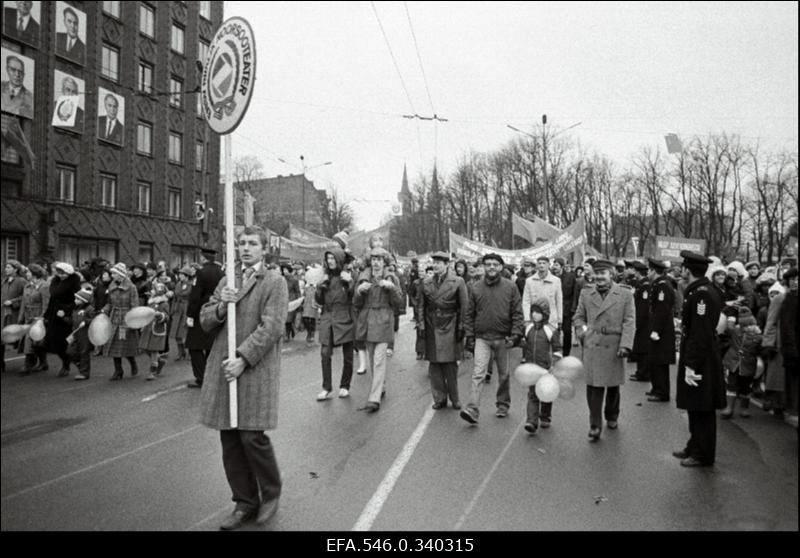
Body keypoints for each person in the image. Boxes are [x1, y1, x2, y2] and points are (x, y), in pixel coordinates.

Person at [198, 226, 287, 530]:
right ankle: (244, 501)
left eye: (252, 243)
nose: (246, 248)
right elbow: (206, 320)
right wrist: (222, 304)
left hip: (254, 367)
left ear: (264, 248)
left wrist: (244, 358)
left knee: (252, 436)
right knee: (230, 437)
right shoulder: (227, 280)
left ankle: (270, 492)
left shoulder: (274, 282)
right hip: (225, 366)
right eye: (242, 244)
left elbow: (272, 327)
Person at [573, 259, 635, 441]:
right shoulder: (586, 293)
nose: (599, 277)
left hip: (614, 344)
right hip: (592, 344)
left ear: (612, 274)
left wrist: (626, 345)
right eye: (597, 273)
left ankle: (612, 414)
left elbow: (629, 321)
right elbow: (578, 317)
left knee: (613, 385)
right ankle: (594, 424)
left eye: (603, 273)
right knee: (593, 387)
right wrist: (582, 332)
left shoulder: (624, 294)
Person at [673, 251, 726, 467]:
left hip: (701, 359)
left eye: (683, 267)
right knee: (694, 405)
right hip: (699, 354)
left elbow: (701, 333)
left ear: (687, 270)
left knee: (702, 407)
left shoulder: (702, 294)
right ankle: (694, 445)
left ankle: (703, 453)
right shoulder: (699, 290)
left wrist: (691, 364)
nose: (681, 271)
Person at [460, 253, 524, 425]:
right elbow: (469, 314)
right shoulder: (475, 287)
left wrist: (516, 334)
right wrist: (469, 336)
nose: (491, 267)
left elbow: (517, 312)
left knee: (504, 375)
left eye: (495, 264)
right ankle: (472, 408)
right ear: (483, 267)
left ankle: (503, 404)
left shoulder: (511, 287)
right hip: (482, 338)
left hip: (503, 338)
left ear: (501, 267)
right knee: (478, 374)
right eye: (488, 264)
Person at [353, 247, 403, 413]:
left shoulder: (391, 278)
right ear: (370, 261)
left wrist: (392, 288)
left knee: (379, 359)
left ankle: (374, 398)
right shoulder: (362, 278)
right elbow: (356, 303)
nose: (376, 262)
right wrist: (359, 292)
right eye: (373, 259)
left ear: (384, 262)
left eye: (379, 259)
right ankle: (380, 387)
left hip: (383, 320)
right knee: (373, 358)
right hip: (367, 321)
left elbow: (399, 302)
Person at [416, 251, 468, 410]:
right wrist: (421, 326)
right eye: (434, 262)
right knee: (434, 365)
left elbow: (464, 307)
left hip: (451, 324)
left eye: (440, 263)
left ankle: (455, 397)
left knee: (450, 365)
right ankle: (439, 398)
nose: (436, 265)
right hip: (431, 324)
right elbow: (420, 306)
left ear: (447, 265)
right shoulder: (425, 283)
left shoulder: (458, 282)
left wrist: (461, 327)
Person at [315, 247, 355, 401]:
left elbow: (355, 297)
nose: (330, 261)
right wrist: (320, 287)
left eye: (333, 258)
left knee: (348, 356)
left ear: (338, 259)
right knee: (325, 354)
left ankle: (345, 386)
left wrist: (350, 282)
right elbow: (319, 301)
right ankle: (326, 388)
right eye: (328, 258)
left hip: (345, 317)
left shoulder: (348, 276)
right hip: (327, 319)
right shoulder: (325, 278)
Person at [523, 297, 563, 434]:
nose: (535, 314)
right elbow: (525, 345)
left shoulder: (550, 330)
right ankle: (531, 421)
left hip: (546, 368)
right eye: (533, 311)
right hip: (531, 368)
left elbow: (558, 349)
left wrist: (554, 364)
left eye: (538, 312)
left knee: (545, 393)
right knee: (533, 394)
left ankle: (545, 416)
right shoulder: (528, 328)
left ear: (545, 314)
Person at [186, 248, 223, 388]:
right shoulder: (221, 272)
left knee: (194, 346)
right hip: (216, 310)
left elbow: (195, 296)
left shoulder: (200, 272)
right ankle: (210, 375)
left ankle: (201, 377)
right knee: (210, 346)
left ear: (203, 258)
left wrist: (190, 315)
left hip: (201, 311)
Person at [720, 307, 762, 419]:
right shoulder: (736, 331)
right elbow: (728, 329)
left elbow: (760, 350)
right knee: (731, 385)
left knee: (746, 387)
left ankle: (744, 408)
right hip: (734, 363)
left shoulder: (757, 335)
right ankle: (729, 408)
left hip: (748, 364)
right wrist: (732, 315)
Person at [102, 263, 140, 380]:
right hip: (114, 318)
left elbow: (135, 305)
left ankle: (132, 363)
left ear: (120, 275)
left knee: (123, 344)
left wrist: (133, 321)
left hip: (125, 319)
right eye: (112, 273)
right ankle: (118, 370)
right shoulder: (111, 286)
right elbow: (109, 303)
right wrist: (104, 310)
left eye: (114, 273)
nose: (112, 275)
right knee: (113, 344)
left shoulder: (131, 287)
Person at [646, 258, 676, 402]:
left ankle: (662, 392)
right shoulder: (658, 284)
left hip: (662, 330)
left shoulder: (663, 285)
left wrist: (656, 330)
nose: (647, 273)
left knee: (660, 361)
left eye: (649, 270)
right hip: (657, 327)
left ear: (653, 271)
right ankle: (656, 387)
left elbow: (662, 310)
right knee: (654, 360)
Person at [43, 262, 82, 377]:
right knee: (53, 342)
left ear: (69, 273)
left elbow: (78, 301)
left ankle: (72, 363)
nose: (61, 275)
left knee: (65, 343)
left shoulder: (74, 282)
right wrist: (46, 315)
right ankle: (66, 362)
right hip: (54, 315)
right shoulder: (55, 281)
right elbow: (52, 298)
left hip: (66, 317)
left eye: (63, 273)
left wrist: (66, 311)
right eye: (59, 273)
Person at [17, 263, 50, 375]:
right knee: (30, 340)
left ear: (35, 273)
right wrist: (20, 318)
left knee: (36, 341)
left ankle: (29, 364)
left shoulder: (44, 286)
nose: (26, 274)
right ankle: (40, 363)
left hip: (38, 317)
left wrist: (42, 318)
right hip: (28, 317)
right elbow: (23, 303)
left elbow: (46, 304)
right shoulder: (27, 286)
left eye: (28, 272)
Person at [139, 281, 170, 381]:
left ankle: (152, 371)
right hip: (148, 328)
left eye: (153, 289)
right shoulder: (151, 302)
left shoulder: (164, 304)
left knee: (154, 350)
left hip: (157, 328)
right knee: (144, 348)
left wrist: (160, 315)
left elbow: (167, 317)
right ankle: (160, 360)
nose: (151, 291)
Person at [522, 256, 562, 333]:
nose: (541, 265)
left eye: (544, 263)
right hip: (534, 317)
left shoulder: (556, 281)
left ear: (548, 265)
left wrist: (560, 319)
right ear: (537, 265)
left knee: (551, 341)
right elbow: (526, 301)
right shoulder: (529, 281)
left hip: (551, 319)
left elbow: (559, 301)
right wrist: (526, 319)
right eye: (539, 263)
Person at [777, 268, 798, 415]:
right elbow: (786, 327)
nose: (795, 282)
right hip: (795, 350)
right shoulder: (789, 299)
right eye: (793, 279)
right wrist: (791, 349)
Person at [2, 260, 27, 373]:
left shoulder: (21, 281)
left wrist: (13, 302)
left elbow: (27, 296)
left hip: (15, 314)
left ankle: (36, 360)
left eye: (8, 267)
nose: (5, 269)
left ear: (15, 269)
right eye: (5, 267)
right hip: (3, 313)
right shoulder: (4, 281)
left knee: (23, 339)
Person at [628, 261, 651, 382]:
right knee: (639, 347)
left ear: (638, 272)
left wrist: (637, 323)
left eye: (635, 271)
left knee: (643, 348)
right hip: (639, 320)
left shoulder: (645, 286)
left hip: (644, 322)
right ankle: (639, 371)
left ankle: (643, 372)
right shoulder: (640, 284)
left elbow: (643, 307)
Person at [66, 286, 94, 381]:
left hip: (85, 334)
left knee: (84, 352)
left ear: (83, 300)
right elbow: (71, 321)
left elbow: (94, 320)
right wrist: (63, 318)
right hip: (75, 333)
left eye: (78, 299)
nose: (75, 300)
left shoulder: (89, 309)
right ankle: (80, 365)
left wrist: (86, 321)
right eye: (76, 298)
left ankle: (84, 373)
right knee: (70, 351)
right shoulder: (75, 308)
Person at [551, 257, 576, 356]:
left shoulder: (570, 277)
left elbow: (574, 293)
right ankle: (555, 352)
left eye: (557, 265)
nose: (554, 267)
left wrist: (573, 309)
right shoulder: (550, 277)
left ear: (562, 267)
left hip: (566, 309)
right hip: (553, 309)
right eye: (554, 265)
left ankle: (566, 354)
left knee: (567, 332)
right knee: (554, 332)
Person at [171, 266, 194, 360]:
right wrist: (172, 309)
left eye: (182, 274)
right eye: (179, 274)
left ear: (187, 276)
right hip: (178, 309)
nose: (180, 276)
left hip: (186, 308)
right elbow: (175, 296)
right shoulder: (178, 284)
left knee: (185, 332)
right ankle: (180, 352)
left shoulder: (191, 284)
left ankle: (189, 352)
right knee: (176, 332)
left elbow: (188, 295)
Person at [1, 55, 34, 119]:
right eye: (13, 70)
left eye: (20, 72)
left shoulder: (30, 98)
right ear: (7, 70)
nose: (17, 74)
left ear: (24, 75)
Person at [281, 263, 300, 339]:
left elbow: (297, 291)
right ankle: (290, 331)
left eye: (286, 269)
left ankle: (287, 335)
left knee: (288, 319)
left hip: (292, 301)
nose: (284, 271)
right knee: (284, 319)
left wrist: (299, 300)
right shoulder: (281, 279)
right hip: (283, 300)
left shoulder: (294, 280)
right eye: (283, 270)